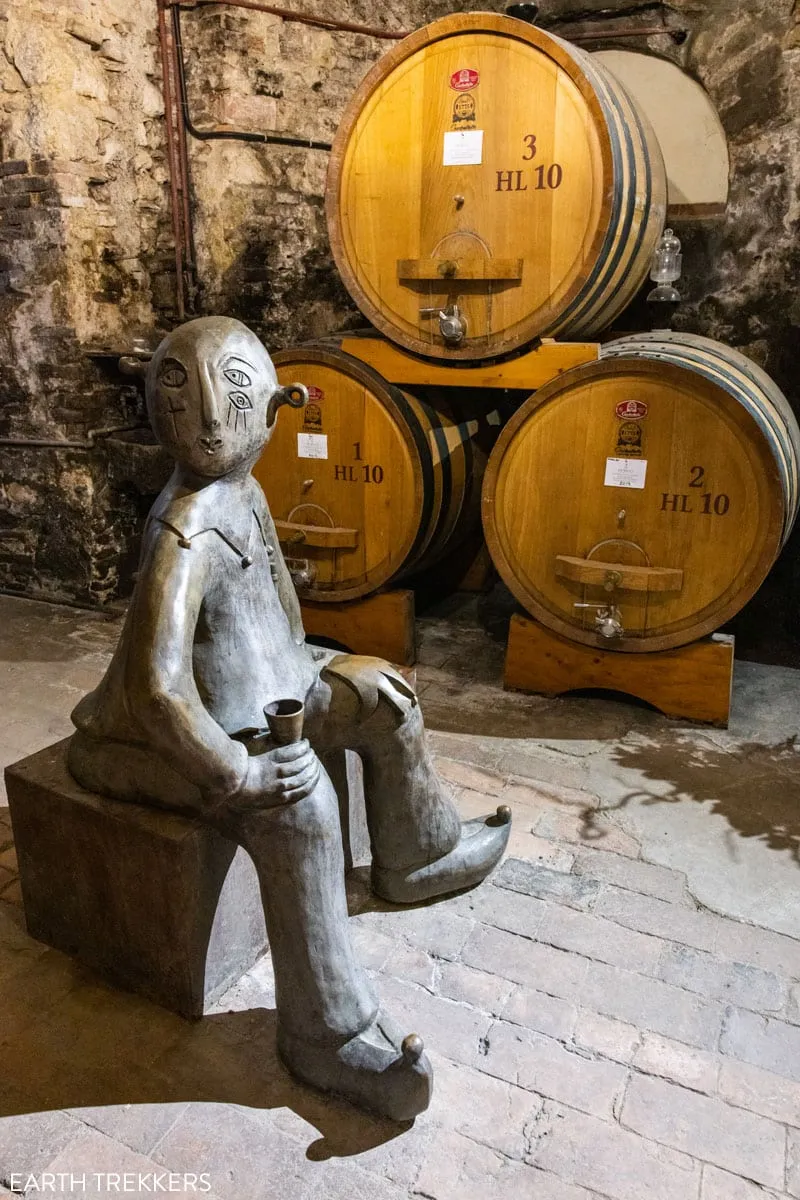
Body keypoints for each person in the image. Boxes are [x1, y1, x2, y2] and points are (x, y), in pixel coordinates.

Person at [68, 316, 511, 1121]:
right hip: (166, 739)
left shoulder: (243, 491)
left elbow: (276, 616)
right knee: (300, 808)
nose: (209, 419)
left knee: (383, 695)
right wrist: (239, 773)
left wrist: (317, 670)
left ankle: (419, 855)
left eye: (232, 398)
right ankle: (326, 1031)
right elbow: (156, 690)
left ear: (274, 408)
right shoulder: (186, 526)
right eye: (188, 398)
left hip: (263, 691)